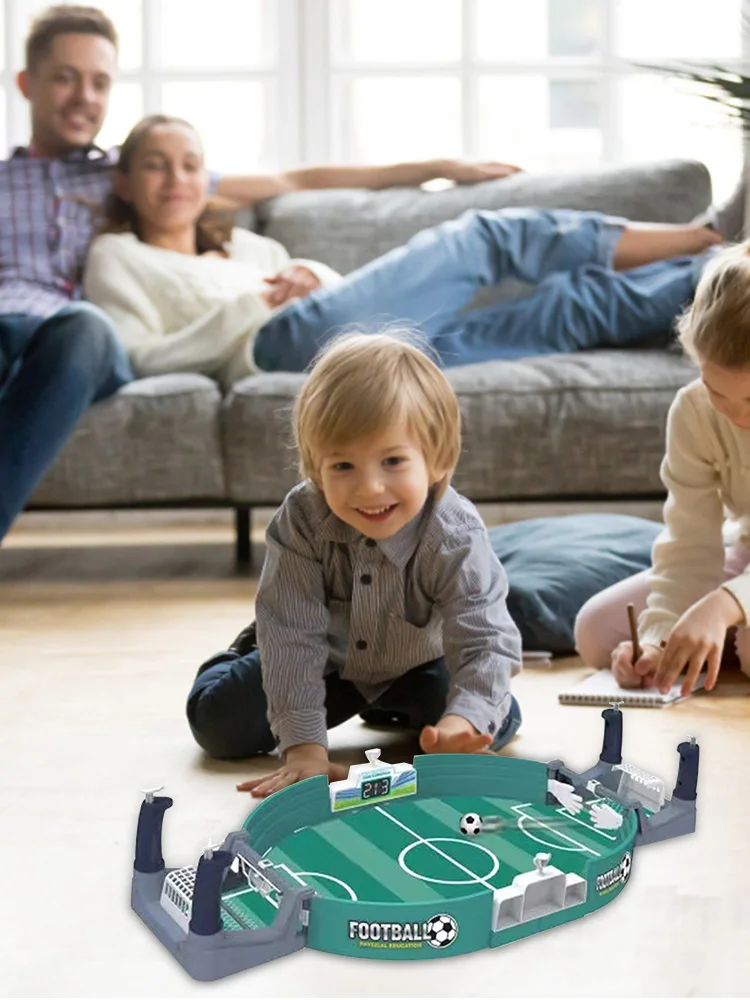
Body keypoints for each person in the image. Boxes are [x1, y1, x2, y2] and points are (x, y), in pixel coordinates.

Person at [0, 4, 518, 544]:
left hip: (76, 343)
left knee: (82, 325)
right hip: (6, 325)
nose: (85, 96)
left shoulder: (129, 171)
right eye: (65, 78)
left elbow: (291, 180)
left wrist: (438, 168)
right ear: (26, 82)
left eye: (99, 82)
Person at [186, 332, 524, 793]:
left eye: (392, 461)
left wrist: (460, 721)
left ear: (437, 460)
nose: (369, 489)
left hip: (418, 662)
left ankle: (391, 706)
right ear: (315, 468)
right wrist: (304, 748)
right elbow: (293, 637)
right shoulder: (302, 519)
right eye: (343, 466)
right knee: (217, 725)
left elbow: (484, 637)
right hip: (322, 661)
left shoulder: (455, 532)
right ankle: (244, 651)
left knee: (491, 722)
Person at [575, 242, 750, 697]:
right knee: (596, 632)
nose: (734, 416)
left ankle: (726, 637)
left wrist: (725, 605)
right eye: (717, 391)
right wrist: (659, 639)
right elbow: (690, 543)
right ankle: (711, 644)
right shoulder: (693, 410)